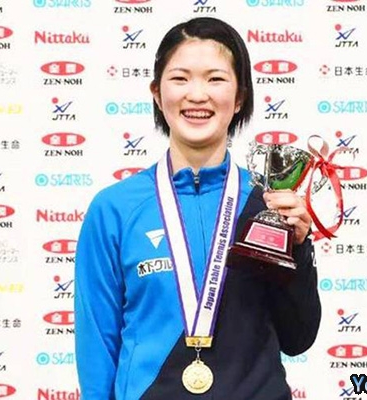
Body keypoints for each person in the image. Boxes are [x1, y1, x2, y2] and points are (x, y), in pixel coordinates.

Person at [74, 16, 321, 400]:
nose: (197, 94)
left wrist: (299, 250)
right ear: (157, 94)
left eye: (215, 79)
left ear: (239, 98)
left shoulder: (267, 204)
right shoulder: (115, 209)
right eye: (180, 78)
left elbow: (298, 337)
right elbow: (97, 345)